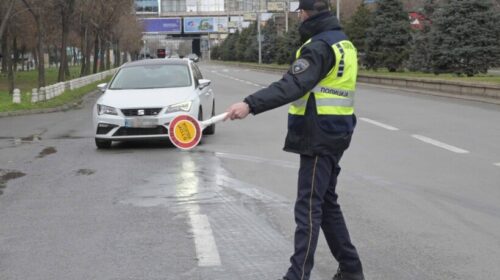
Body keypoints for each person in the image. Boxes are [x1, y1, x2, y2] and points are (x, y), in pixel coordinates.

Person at [224, 0, 364, 279]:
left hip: (318, 133)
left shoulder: (319, 46)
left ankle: (297, 275)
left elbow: (293, 84)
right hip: (338, 130)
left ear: (304, 13)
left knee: (309, 206)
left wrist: (249, 104)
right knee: (325, 202)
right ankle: (350, 269)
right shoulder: (343, 43)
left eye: (299, 12)